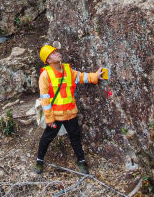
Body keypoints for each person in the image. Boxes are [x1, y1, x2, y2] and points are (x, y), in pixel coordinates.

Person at [35, 43, 107, 174]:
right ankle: (39, 160)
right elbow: (44, 99)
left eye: (56, 51)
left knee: (75, 137)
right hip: (56, 115)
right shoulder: (45, 75)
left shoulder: (67, 70)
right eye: (53, 53)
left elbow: (80, 77)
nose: (57, 53)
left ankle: (81, 160)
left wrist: (95, 76)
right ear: (48, 60)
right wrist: (49, 118)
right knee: (47, 138)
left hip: (70, 113)